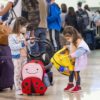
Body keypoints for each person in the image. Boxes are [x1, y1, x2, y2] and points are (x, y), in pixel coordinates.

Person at [63, 26, 90, 92]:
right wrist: (67, 47)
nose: (68, 40)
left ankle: (78, 86)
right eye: (66, 39)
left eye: (68, 38)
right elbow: (73, 47)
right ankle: (70, 84)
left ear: (73, 35)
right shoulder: (73, 39)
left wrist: (72, 55)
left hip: (78, 60)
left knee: (76, 72)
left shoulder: (79, 41)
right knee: (70, 71)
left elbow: (81, 50)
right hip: (73, 60)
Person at [8, 17, 27, 95]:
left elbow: (25, 46)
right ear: (19, 26)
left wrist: (30, 42)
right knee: (17, 72)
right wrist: (22, 44)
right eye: (24, 26)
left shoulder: (22, 36)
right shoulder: (12, 36)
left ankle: (23, 86)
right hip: (17, 57)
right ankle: (18, 88)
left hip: (24, 56)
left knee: (23, 72)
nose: (25, 28)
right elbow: (12, 47)